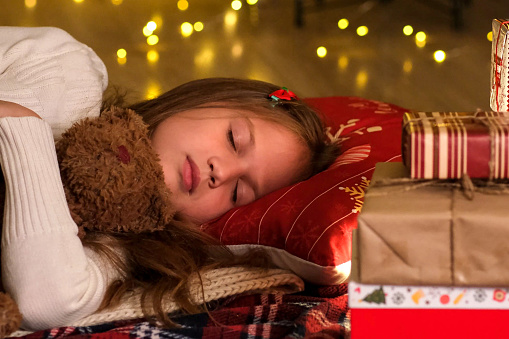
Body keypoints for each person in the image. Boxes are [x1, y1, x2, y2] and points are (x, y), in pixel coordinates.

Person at [0, 27, 340, 331]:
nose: (220, 172)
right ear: (205, 99)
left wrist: (23, 129)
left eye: (238, 192)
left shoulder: (118, 251)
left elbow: (46, 301)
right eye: (234, 139)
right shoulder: (65, 69)